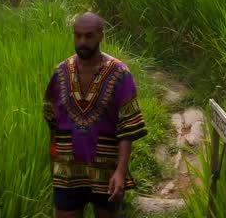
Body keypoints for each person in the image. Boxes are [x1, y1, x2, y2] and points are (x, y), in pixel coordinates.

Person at [44, 12, 149, 217]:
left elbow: (127, 127)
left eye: (89, 36)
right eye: (78, 36)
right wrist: (54, 162)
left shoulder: (120, 74)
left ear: (101, 36)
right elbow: (52, 121)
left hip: (106, 170)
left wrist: (120, 171)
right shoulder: (61, 73)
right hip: (67, 171)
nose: (82, 41)